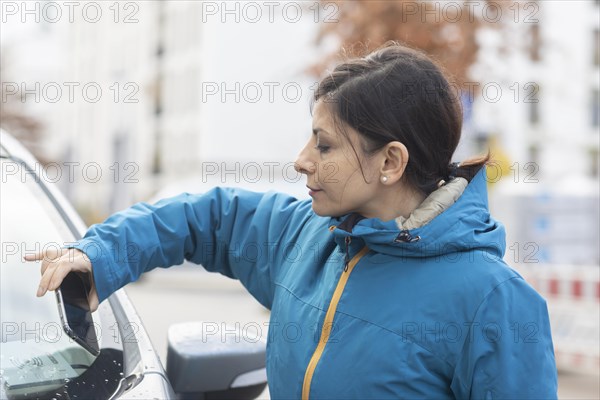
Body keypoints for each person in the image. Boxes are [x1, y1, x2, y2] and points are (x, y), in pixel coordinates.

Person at [26, 42, 558, 399]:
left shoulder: (494, 302)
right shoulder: (307, 236)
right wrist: (99, 253)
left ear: (390, 163)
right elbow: (205, 216)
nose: (302, 160)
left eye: (324, 144)